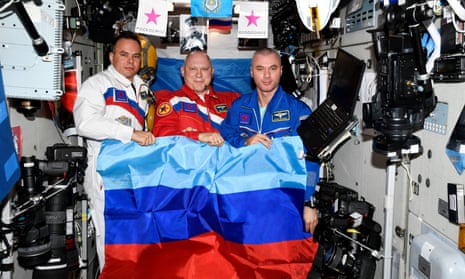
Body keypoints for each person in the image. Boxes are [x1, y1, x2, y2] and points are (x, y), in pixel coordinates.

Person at [73, 31, 156, 270]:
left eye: (136, 56)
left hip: (132, 173)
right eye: (124, 54)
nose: (130, 61)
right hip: (105, 174)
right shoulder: (97, 85)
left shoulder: (141, 87)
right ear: (111, 57)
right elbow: (85, 124)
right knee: (110, 238)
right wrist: (130, 134)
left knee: (133, 238)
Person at [221, 47, 319, 234]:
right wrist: (245, 142)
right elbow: (226, 136)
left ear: (281, 71)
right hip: (244, 195)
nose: (266, 75)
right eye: (260, 69)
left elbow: (311, 158)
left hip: (282, 198)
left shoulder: (299, 111)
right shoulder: (239, 106)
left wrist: (307, 201)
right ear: (251, 72)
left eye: (272, 68)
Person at [152, 50, 240, 146]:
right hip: (188, 160)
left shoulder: (232, 100)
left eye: (204, 69)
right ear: (182, 71)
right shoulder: (171, 102)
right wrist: (198, 136)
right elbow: (162, 136)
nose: (199, 75)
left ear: (212, 72)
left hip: (228, 159)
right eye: (193, 69)